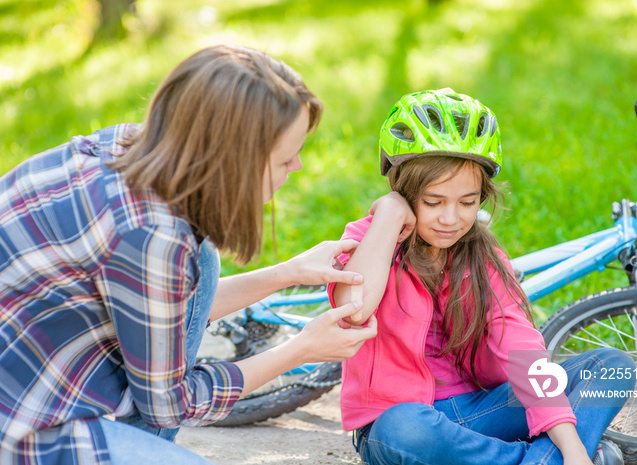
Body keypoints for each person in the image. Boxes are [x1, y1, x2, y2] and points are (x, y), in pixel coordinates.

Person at [0, 45, 377, 465]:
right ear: (234, 162)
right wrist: (301, 349)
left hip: (35, 375)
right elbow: (171, 403)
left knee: (206, 259)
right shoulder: (152, 236)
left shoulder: (130, 150)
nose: (299, 167)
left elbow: (160, 307)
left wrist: (286, 273)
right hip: (24, 429)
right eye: (285, 159)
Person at [329, 88, 635, 465]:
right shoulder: (371, 239)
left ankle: (555, 457)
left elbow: (520, 348)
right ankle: (541, 460)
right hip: (407, 422)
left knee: (609, 366)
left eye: (468, 202)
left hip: (483, 412)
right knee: (403, 429)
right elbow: (353, 311)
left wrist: (572, 448)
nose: (451, 218)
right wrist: (390, 215)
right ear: (403, 190)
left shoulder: (483, 257)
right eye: (433, 201)